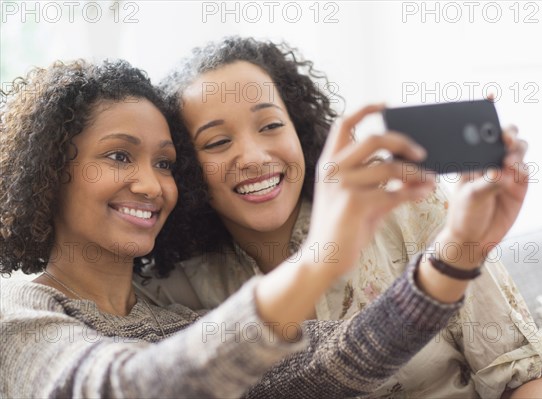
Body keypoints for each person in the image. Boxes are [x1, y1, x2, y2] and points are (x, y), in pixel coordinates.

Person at [0, 59, 486, 398]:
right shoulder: (19, 316)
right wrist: (319, 259)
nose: (151, 185)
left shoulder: (167, 318)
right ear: (47, 174)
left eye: (166, 164)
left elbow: (335, 361)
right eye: (119, 155)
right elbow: (127, 387)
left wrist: (458, 250)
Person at [144, 37, 542, 398]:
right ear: (185, 166)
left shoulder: (407, 206)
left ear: (302, 130)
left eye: (271, 125)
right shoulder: (179, 295)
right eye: (217, 141)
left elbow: (524, 377)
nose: (254, 157)